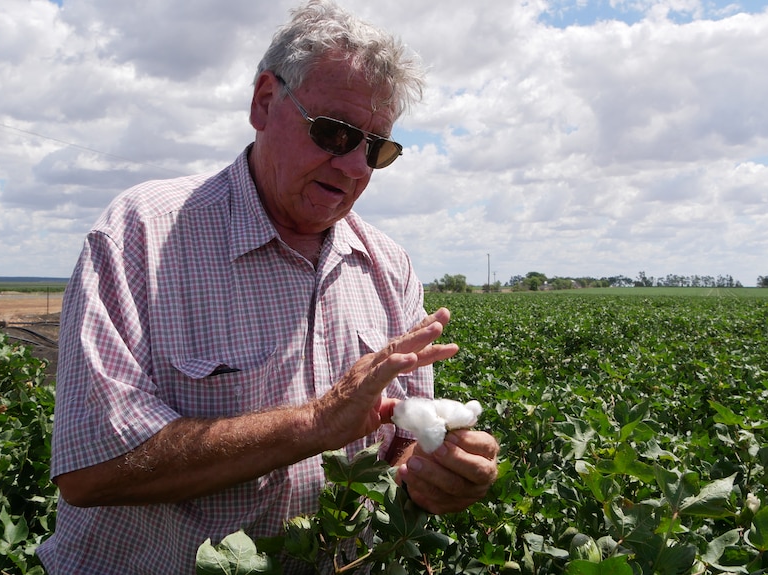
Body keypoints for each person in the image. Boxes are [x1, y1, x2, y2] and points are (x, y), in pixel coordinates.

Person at [37, 1, 499, 573]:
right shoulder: (141, 234)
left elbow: (400, 442)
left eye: (377, 149)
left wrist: (436, 472)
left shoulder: (390, 267)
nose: (355, 168)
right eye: (333, 133)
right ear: (263, 102)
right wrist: (314, 423)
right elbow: (90, 469)